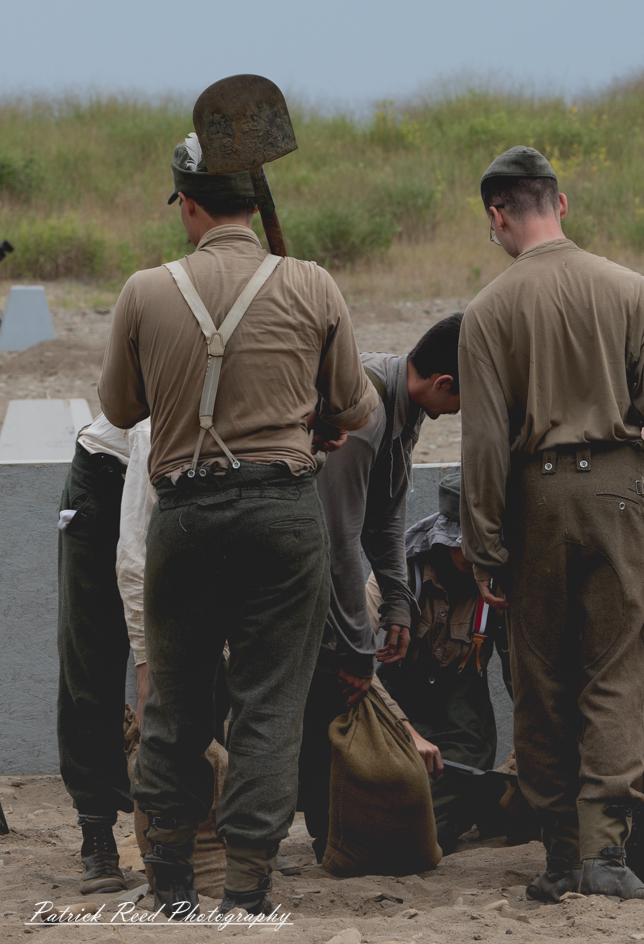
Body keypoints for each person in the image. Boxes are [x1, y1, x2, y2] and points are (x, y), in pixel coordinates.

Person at [98, 132, 377, 917]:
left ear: (189, 205)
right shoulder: (314, 285)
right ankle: (250, 880)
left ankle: (171, 877)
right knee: (269, 706)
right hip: (283, 513)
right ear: (254, 205)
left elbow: (120, 409)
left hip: (185, 514)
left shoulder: (145, 291)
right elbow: (356, 406)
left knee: (176, 706)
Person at [457, 146, 644, 902]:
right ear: (561, 202)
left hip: (534, 505)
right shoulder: (631, 290)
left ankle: (559, 858)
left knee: (542, 682)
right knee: (616, 673)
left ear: (498, 215)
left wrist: (484, 546)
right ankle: (607, 854)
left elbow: (485, 444)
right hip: (620, 498)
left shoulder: (487, 313)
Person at [296, 314, 463, 857]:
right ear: (443, 384)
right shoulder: (365, 410)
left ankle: (328, 834)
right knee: (332, 685)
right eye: (465, 397)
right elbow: (339, 539)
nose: (464, 412)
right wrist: (359, 648)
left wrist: (398, 603)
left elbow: (386, 516)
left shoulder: (406, 404)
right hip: (295, 564)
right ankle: (316, 835)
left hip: (325, 560)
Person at [371, 469, 501, 853]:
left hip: (461, 726)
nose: (476, 555)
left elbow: (525, 673)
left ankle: (472, 802)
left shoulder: (503, 583)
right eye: (466, 544)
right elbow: (352, 659)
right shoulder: (397, 574)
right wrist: (407, 732)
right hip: (395, 713)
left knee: (425, 820)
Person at [52, 415, 142, 896]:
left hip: (195, 482)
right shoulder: (160, 338)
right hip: (110, 473)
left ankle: (194, 828)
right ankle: (97, 833)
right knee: (91, 661)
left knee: (197, 659)